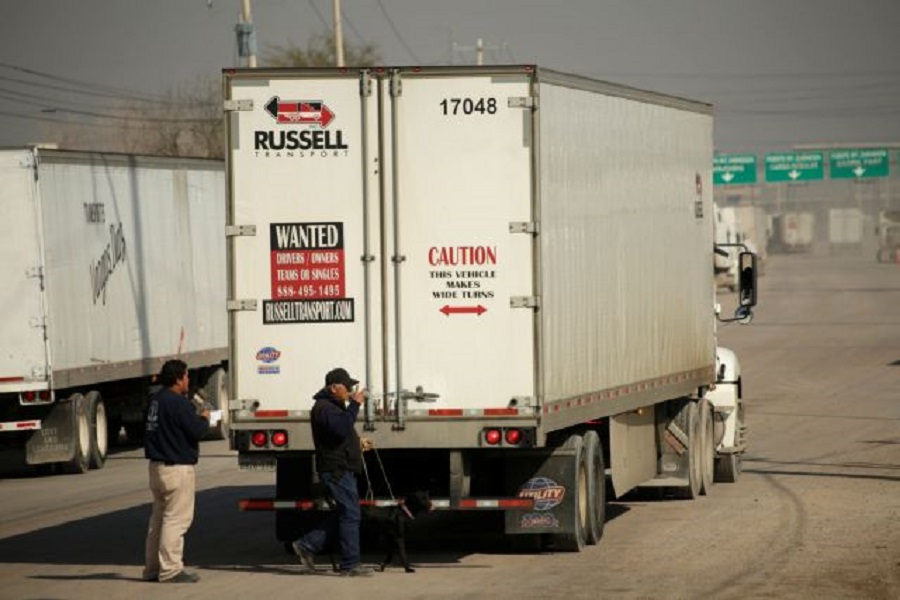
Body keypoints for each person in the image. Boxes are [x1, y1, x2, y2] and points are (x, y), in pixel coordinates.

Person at [292, 367, 374, 577]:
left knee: (346, 512)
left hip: (342, 466)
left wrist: (356, 443)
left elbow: (341, 433)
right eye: (347, 387)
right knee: (351, 513)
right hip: (336, 469)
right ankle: (350, 564)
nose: (350, 391)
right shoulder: (324, 408)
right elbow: (339, 429)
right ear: (333, 388)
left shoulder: (333, 406)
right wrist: (355, 404)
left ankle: (307, 545)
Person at [142, 359, 210, 584]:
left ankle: (153, 569)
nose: (188, 380)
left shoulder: (155, 401)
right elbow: (196, 431)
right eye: (187, 376)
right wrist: (204, 419)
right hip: (176, 468)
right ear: (179, 379)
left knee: (158, 520)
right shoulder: (178, 403)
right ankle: (171, 569)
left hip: (157, 466)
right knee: (176, 520)